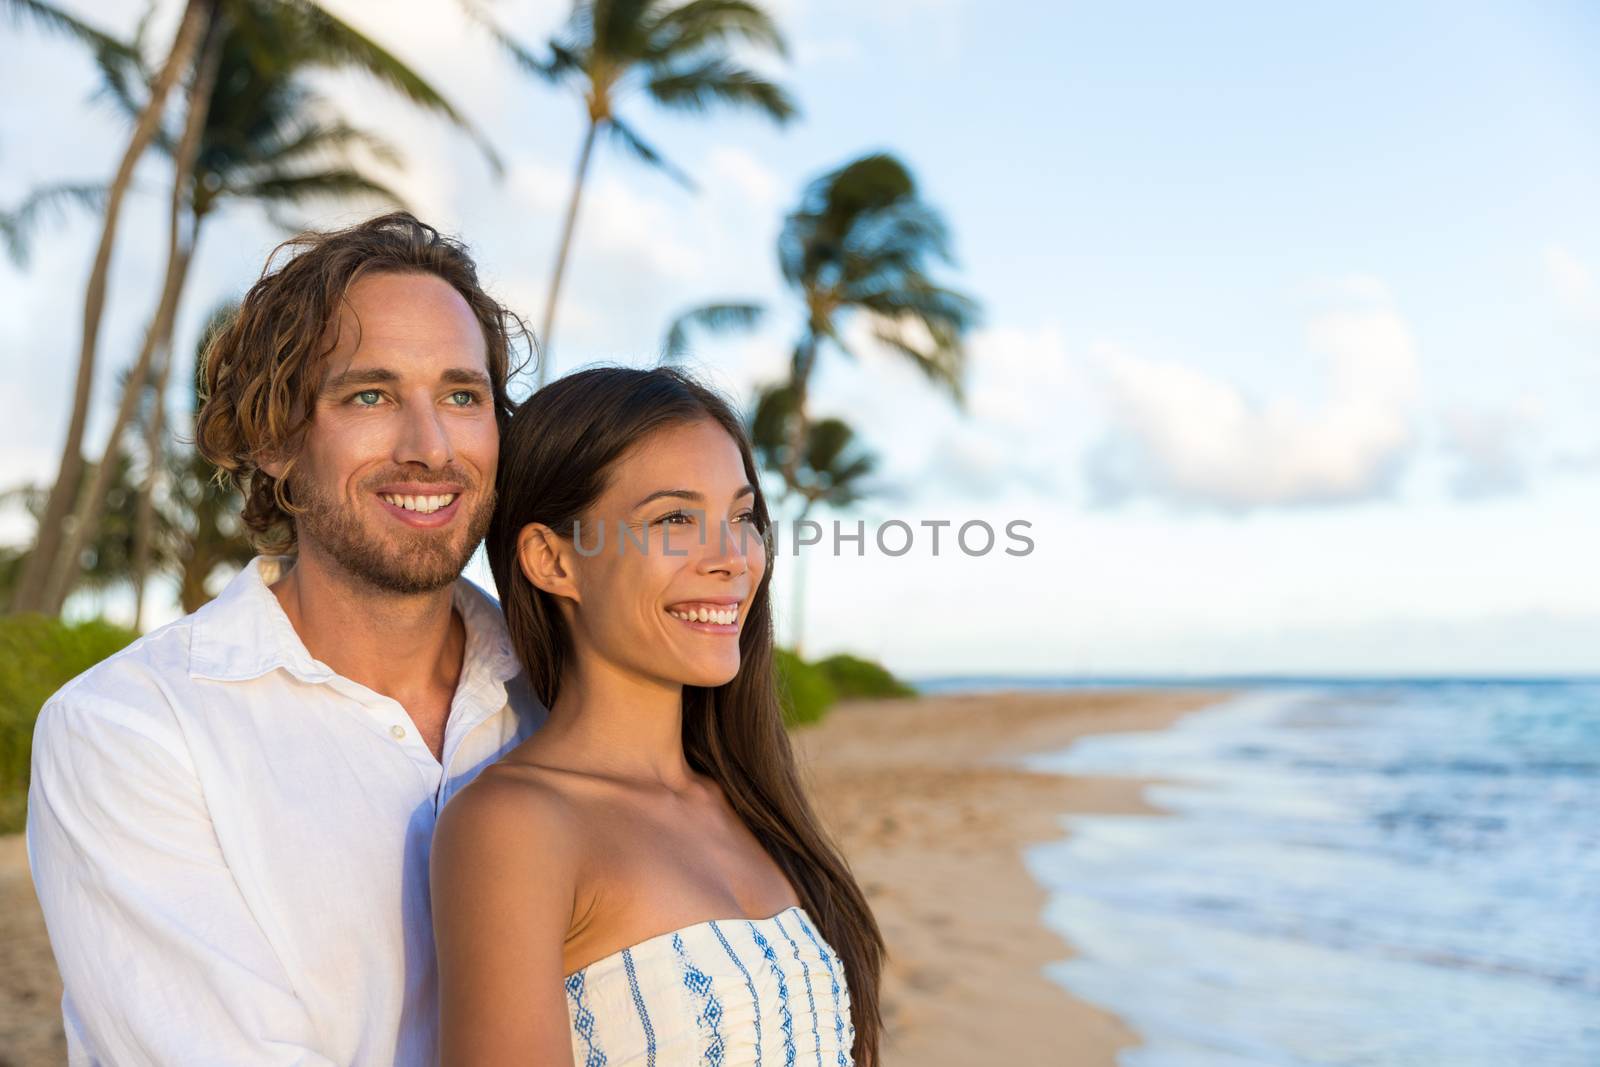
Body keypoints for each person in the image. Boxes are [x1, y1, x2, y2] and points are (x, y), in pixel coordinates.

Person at [26, 212, 545, 1065]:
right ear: (272, 439)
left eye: (462, 394)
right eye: (369, 395)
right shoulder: (130, 732)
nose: (430, 447)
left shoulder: (561, 691)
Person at [429, 366, 885, 1066]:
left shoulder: (747, 800)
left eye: (741, 518)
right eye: (675, 519)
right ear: (553, 560)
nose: (733, 558)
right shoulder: (515, 826)